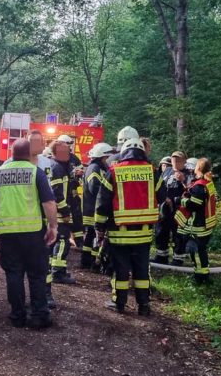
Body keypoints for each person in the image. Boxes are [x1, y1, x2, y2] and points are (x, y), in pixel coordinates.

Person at [0, 139, 59, 329]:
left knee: (13, 273)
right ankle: (39, 316)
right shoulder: (36, 173)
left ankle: (17, 315)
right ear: (29, 153)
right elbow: (49, 203)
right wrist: (53, 226)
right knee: (36, 274)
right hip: (32, 232)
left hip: (7, 233)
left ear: (12, 153)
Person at [95, 135, 159, 316]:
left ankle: (119, 303)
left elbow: (102, 202)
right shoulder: (152, 171)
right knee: (142, 270)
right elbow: (162, 195)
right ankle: (144, 305)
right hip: (144, 233)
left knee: (120, 270)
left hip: (119, 233)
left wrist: (99, 227)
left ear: (124, 152)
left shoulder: (114, 171)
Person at [175, 158, 217, 285]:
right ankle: (204, 275)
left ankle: (200, 278)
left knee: (196, 252)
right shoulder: (207, 182)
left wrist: (180, 200)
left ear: (198, 168)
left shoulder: (200, 185)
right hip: (204, 224)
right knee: (201, 251)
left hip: (197, 227)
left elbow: (194, 204)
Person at [27, 130, 57, 308]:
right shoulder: (14, 162)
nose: (35, 145)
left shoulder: (47, 163)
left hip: (43, 216)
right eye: (32, 141)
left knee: (45, 258)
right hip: (23, 217)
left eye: (38, 142)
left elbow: (51, 191)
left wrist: (53, 221)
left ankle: (46, 293)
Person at [153, 150, 193, 266]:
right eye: (173, 159)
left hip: (179, 208)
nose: (175, 162)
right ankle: (161, 256)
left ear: (184, 161)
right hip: (164, 207)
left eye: (178, 160)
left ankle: (178, 258)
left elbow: (192, 191)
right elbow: (159, 186)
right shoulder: (167, 171)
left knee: (178, 233)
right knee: (161, 231)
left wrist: (183, 181)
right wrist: (164, 198)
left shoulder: (189, 173)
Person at [49, 140, 79, 285]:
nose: (68, 153)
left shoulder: (60, 166)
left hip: (58, 212)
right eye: (65, 151)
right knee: (62, 242)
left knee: (57, 242)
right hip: (59, 214)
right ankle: (57, 272)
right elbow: (56, 193)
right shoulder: (56, 168)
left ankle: (55, 269)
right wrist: (65, 212)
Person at [80, 142, 114, 270]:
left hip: (93, 208)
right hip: (92, 209)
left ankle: (87, 262)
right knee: (94, 236)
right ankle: (92, 263)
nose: (108, 160)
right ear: (102, 157)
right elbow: (94, 188)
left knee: (91, 236)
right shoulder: (94, 168)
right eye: (107, 157)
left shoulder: (98, 167)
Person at [57, 134, 85, 252]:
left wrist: (80, 173)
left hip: (72, 191)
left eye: (69, 145)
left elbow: (81, 170)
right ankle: (63, 238)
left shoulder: (74, 158)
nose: (69, 147)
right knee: (62, 216)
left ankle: (79, 240)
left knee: (76, 215)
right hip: (61, 192)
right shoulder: (56, 159)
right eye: (67, 145)